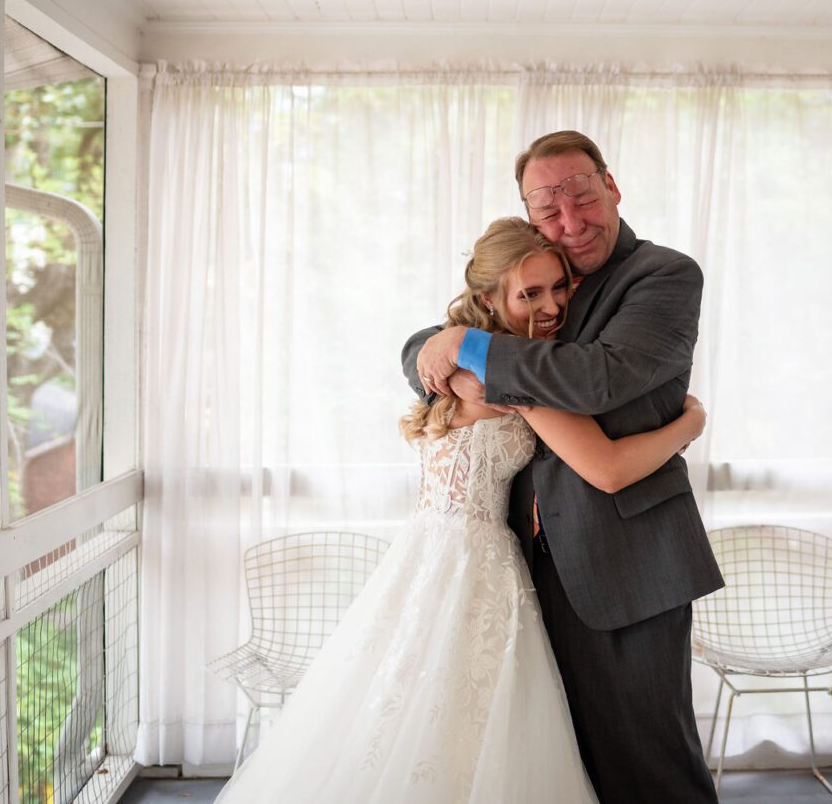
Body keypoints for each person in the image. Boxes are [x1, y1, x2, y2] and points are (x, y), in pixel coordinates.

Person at [214, 218, 707, 803]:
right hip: (475, 567)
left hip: (428, 553)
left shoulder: (463, 369)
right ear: (489, 300)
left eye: (560, 288)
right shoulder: (506, 382)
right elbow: (608, 469)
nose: (551, 307)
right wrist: (689, 424)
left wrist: (457, 344)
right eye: (531, 294)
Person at [406, 130, 723, 804]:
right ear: (529, 216)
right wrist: (454, 355)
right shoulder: (537, 271)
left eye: (583, 197)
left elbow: (597, 379)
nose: (571, 222)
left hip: (628, 563)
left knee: (650, 764)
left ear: (613, 187)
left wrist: (471, 350)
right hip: (523, 568)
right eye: (549, 210)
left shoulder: (664, 276)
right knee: (559, 765)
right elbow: (421, 346)